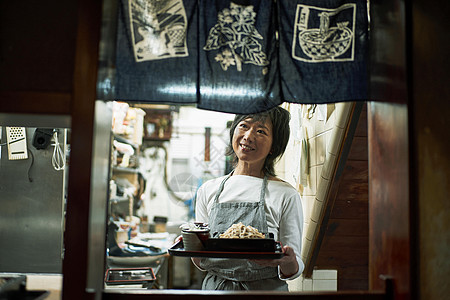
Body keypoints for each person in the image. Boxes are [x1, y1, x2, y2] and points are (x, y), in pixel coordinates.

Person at [192, 106, 304, 290]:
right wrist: (190, 246)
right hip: (216, 291)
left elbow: (294, 267)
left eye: (261, 131)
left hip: (266, 292)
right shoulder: (207, 190)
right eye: (244, 125)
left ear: (274, 146)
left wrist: (287, 260)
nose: (248, 136)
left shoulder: (285, 194)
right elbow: (202, 260)